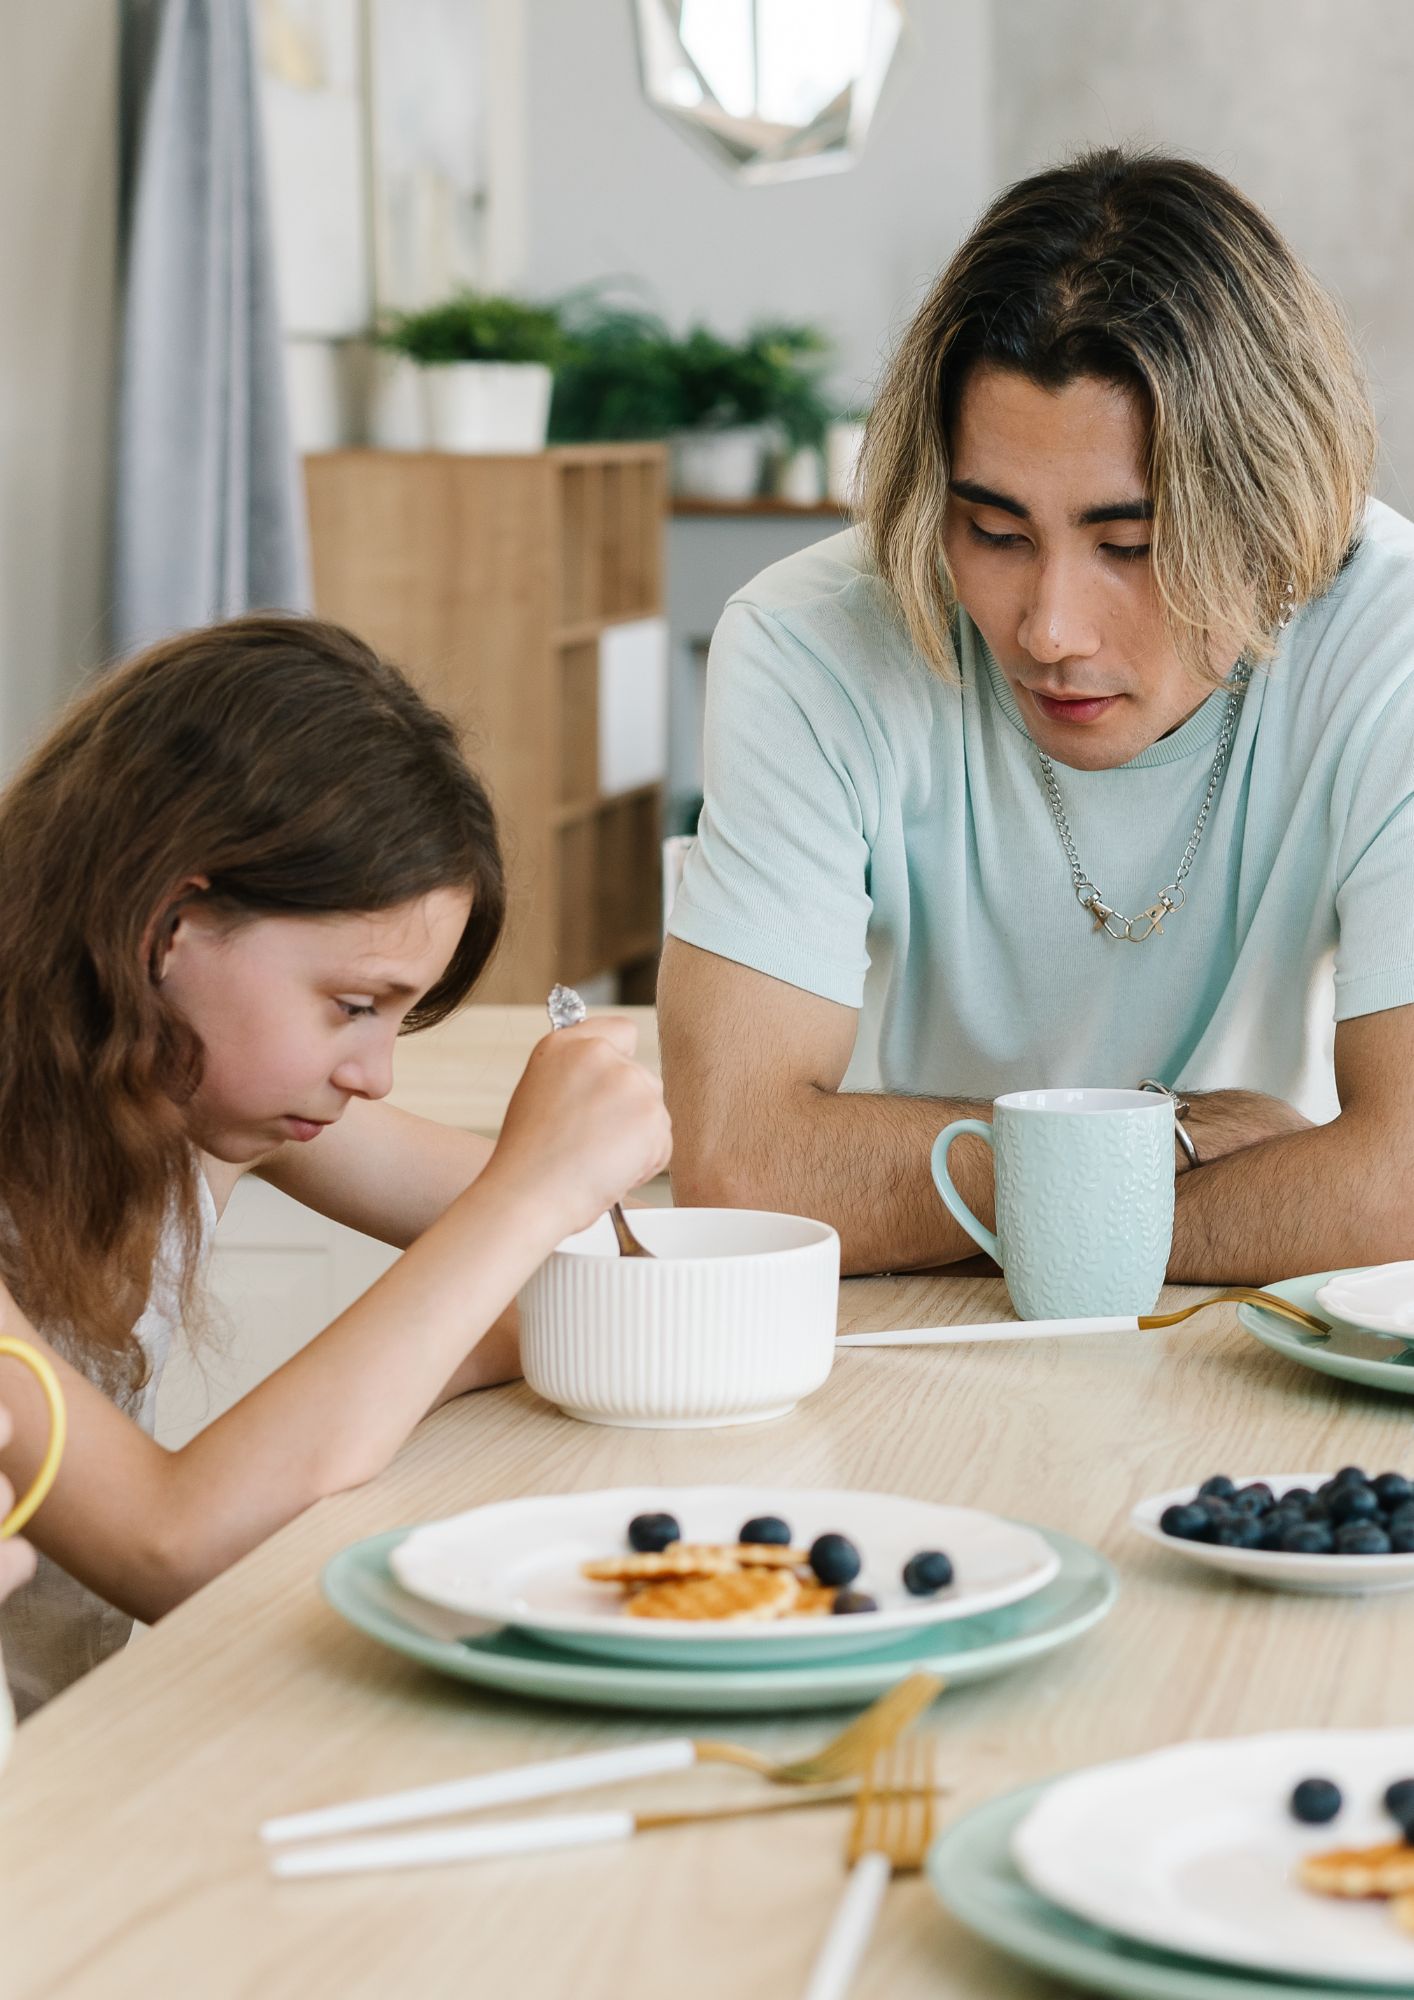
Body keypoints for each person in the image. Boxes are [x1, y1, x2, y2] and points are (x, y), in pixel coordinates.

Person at [660, 146, 1414, 1284]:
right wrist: (1173, 1143)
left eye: (1131, 545)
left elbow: (1401, 1187)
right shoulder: (808, 642)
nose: (1049, 628)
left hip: (1228, 1329)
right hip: (898, 1319)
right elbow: (743, 1169)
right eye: (996, 533)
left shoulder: (1388, 644)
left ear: (1279, 518)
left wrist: (1019, 1208)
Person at [0, 616, 671, 1716]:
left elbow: (585, 1259)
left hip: (92, 1741)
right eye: (353, 1006)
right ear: (167, 923)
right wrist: (525, 1189)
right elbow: (168, 1545)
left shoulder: (201, 1094)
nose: (374, 1074)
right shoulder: (205, 1095)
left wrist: (536, 1209)